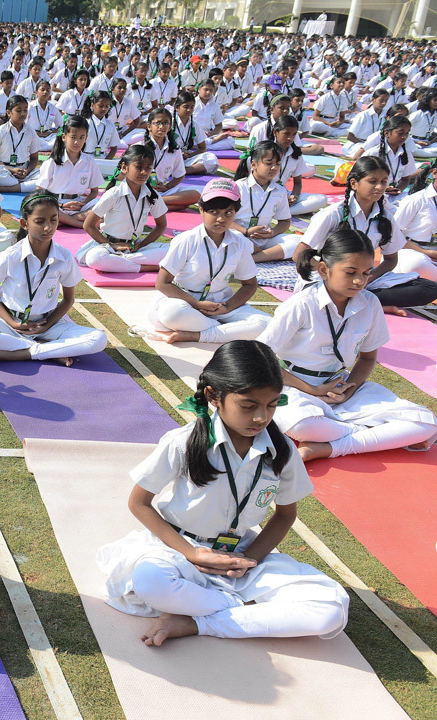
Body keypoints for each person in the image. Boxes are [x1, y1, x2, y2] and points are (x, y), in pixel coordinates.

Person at [96, 340, 350, 646]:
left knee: (330, 611)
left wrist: (248, 561)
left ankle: (195, 623)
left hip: (240, 556)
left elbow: (285, 515)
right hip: (179, 552)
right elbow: (139, 503)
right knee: (151, 581)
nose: (261, 417)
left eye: (272, 404)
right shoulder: (184, 442)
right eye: (248, 405)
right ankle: (249, 613)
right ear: (214, 396)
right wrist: (190, 553)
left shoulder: (282, 451)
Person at [262, 227, 437, 461]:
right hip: (294, 387)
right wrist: (313, 390)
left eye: (366, 273)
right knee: (302, 426)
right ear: (324, 270)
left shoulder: (370, 303)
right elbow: (262, 358)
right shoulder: (301, 305)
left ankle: (328, 448)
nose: (359, 281)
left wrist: (349, 389)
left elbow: (367, 358)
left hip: (342, 387)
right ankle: (371, 436)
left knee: (425, 423)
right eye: (350, 272)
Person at [0, 191, 105, 365]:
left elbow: (68, 299)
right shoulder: (10, 255)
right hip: (9, 322)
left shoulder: (64, 256)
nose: (48, 227)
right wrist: (13, 324)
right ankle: (47, 349)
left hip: (47, 325)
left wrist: (47, 325)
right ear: (24, 223)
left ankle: (24, 352)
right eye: (39, 221)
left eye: (54, 220)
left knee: (98, 339)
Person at [296, 156, 437, 312]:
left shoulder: (385, 217)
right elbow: (300, 254)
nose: (379, 187)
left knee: (428, 288)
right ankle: (361, 300)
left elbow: (391, 260)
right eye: (372, 181)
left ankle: (359, 298)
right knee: (335, 288)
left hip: (364, 281)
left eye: (383, 182)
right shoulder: (332, 214)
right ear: (354, 183)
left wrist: (369, 277)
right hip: (328, 279)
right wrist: (332, 276)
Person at [146, 179, 270, 345]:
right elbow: (162, 283)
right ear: (201, 209)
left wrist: (227, 308)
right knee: (172, 314)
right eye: (214, 211)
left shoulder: (239, 243)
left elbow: (249, 284)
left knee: (267, 324)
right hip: (185, 304)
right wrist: (196, 304)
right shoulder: (187, 240)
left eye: (228, 213)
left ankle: (198, 335)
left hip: (220, 305)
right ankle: (226, 331)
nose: (221, 218)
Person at [79, 144, 168, 274]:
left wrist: (142, 245)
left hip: (135, 248)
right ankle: (146, 267)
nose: (144, 172)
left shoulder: (151, 195)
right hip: (108, 246)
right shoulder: (114, 194)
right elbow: (88, 225)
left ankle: (124, 261)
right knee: (95, 258)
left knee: (174, 249)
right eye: (139, 167)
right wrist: (111, 246)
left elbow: (161, 225)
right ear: (124, 168)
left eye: (148, 168)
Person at [232, 141, 302, 263]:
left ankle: (254, 258)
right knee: (232, 238)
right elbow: (224, 220)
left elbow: (285, 221)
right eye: (269, 163)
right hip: (240, 234)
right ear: (254, 165)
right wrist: (246, 231)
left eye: (278, 164)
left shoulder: (280, 191)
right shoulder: (238, 187)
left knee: (298, 241)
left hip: (265, 238)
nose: (274, 168)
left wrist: (273, 232)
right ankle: (267, 255)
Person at [32, 115, 103, 229]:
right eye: (73, 137)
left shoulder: (89, 161)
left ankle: (63, 221)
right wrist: (62, 205)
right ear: (64, 137)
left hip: (79, 205)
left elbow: (94, 191)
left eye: (81, 137)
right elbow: (40, 191)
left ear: (86, 138)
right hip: (56, 203)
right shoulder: (52, 162)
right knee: (45, 208)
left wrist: (83, 204)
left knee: (103, 206)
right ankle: (82, 224)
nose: (77, 142)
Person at [0, 96, 41, 193]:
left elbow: (34, 158)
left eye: (25, 110)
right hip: (4, 171)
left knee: (47, 177)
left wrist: (27, 171)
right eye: (18, 110)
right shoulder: (0, 131)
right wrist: (12, 170)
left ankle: (9, 188)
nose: (23, 114)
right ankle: (22, 186)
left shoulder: (30, 131)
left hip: (24, 171)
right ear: (9, 112)